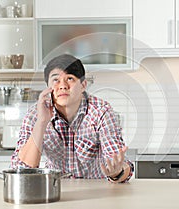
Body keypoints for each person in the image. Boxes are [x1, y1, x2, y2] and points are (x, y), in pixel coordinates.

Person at [11, 54, 134, 183]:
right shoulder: (35, 114)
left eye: (70, 79)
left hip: (96, 190)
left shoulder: (101, 111)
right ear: (48, 86)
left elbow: (119, 163)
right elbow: (21, 170)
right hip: (55, 190)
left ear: (83, 85)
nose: (62, 86)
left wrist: (117, 173)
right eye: (55, 80)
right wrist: (41, 122)